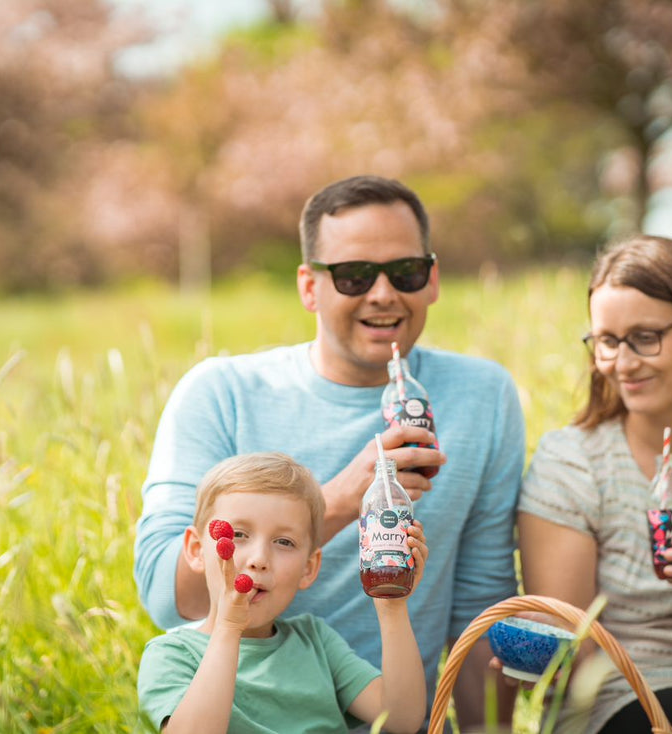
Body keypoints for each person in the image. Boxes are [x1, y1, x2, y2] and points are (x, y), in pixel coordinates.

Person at [133, 175, 525, 728]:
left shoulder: (483, 396)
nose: (384, 294)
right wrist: (341, 499)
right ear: (309, 287)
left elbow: (481, 606)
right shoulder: (221, 392)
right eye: (354, 275)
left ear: (433, 280)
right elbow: (168, 596)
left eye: (405, 272)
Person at [516, 235, 672, 734]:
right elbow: (574, 645)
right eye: (606, 341)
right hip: (623, 690)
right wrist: (531, 661)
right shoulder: (573, 461)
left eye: (645, 337)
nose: (623, 362)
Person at [137, 452, 429, 733]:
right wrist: (229, 627)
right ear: (196, 550)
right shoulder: (171, 656)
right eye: (238, 535)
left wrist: (392, 607)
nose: (259, 558)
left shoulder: (316, 642)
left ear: (309, 568)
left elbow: (402, 719)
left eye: (284, 542)